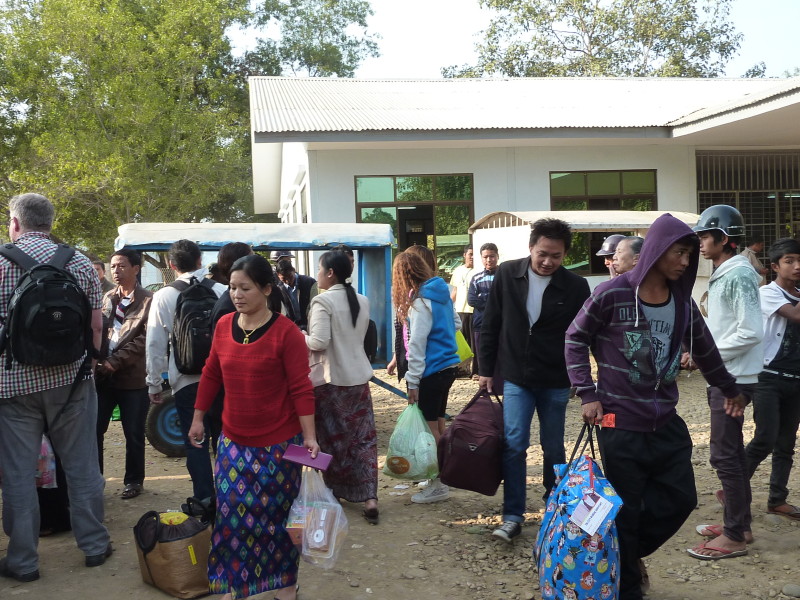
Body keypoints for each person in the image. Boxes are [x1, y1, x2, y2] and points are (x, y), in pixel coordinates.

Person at [565, 213, 745, 600]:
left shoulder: (682, 303)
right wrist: (587, 392)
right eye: (679, 252)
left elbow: (706, 350)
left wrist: (729, 389)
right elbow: (575, 338)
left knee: (681, 499)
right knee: (627, 509)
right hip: (619, 422)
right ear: (658, 250)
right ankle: (628, 586)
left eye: (689, 254)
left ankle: (624, 553)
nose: (685, 261)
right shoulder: (611, 293)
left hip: (666, 420)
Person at [188, 254, 317, 600]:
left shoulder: (286, 333)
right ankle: (235, 583)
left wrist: (309, 437)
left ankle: (286, 584)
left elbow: (301, 388)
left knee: (277, 518)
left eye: (245, 288)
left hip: (280, 445)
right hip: (233, 442)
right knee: (231, 517)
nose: (237, 294)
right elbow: (211, 373)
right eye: (232, 287)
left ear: (266, 289)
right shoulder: (223, 325)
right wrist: (198, 417)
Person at [0, 193, 111, 582]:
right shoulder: (78, 262)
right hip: (72, 383)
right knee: (82, 468)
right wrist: (90, 366)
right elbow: (96, 326)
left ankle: (23, 561)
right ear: (50, 222)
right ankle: (95, 546)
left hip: (13, 388)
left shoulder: (0, 262)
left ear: (16, 223)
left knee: (18, 476)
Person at [479, 218, 590, 543]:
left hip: (556, 378)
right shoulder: (507, 274)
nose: (547, 261)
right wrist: (486, 369)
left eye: (556, 256)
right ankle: (512, 515)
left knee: (553, 446)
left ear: (565, 255)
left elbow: (584, 336)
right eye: (542, 253)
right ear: (531, 248)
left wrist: (585, 380)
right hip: (516, 376)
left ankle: (554, 509)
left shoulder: (576, 286)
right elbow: (491, 323)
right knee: (514, 444)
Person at [688, 205, 762, 559]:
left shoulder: (740, 274)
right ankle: (740, 525)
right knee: (728, 454)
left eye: (706, 236)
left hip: (734, 379)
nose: (701, 243)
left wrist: (708, 354)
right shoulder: (725, 272)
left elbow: (750, 332)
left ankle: (734, 535)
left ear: (724, 238)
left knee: (725, 456)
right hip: (726, 373)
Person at [146, 239, 226, 509]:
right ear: (200, 260)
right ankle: (228, 495)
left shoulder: (163, 296)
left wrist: (153, 383)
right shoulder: (221, 291)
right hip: (221, 379)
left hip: (185, 381)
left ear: (171, 265)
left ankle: (204, 499)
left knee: (195, 442)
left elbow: (155, 343)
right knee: (224, 440)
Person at [305, 251, 378, 523]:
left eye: (319, 269)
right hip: (359, 379)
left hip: (330, 382)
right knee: (363, 440)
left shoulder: (322, 301)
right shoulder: (362, 300)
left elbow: (318, 342)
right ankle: (370, 498)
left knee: (333, 441)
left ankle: (334, 492)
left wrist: (300, 336)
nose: (317, 274)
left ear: (330, 273)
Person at [393, 251, 461, 504]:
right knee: (439, 424)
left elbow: (417, 345)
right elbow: (456, 324)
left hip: (431, 371)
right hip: (449, 366)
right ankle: (441, 476)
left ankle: (439, 483)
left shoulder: (421, 303)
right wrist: (441, 334)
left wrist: (412, 381)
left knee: (430, 429)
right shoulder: (441, 293)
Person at [745, 238, 800, 521]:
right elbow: (795, 315)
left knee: (786, 445)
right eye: (789, 261)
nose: (797, 266)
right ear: (775, 266)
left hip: (796, 379)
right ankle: (733, 489)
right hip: (768, 377)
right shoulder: (767, 293)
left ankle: (777, 500)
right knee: (765, 439)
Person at [95, 249, 154, 500]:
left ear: (136, 269)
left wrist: (116, 361)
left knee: (133, 432)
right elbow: (99, 330)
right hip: (103, 376)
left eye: (121, 266)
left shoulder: (149, 300)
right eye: (113, 266)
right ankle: (95, 480)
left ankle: (134, 481)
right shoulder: (107, 298)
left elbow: (145, 339)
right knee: (95, 430)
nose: (115, 271)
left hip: (133, 379)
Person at [468, 242, 499, 379]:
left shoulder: (504, 276)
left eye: (492, 256)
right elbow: (472, 300)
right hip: (481, 323)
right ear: (481, 258)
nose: (489, 260)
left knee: (500, 354)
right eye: (485, 257)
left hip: (501, 323)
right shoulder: (476, 278)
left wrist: (484, 299)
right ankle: (484, 382)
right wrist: (493, 303)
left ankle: (499, 382)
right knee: (482, 354)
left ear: (497, 256)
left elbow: (506, 298)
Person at [449, 245, 476, 374]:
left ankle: (474, 369)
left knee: (473, 341)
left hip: (473, 311)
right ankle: (462, 368)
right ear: (464, 255)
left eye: (474, 254)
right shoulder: (457, 271)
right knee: (461, 342)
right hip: (460, 310)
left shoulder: (478, 271)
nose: (472, 257)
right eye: (470, 254)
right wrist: (448, 307)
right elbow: (455, 291)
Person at [275, 258, 317, 330]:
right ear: (278, 275)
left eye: (290, 277)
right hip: (292, 328)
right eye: (284, 279)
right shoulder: (279, 290)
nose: (288, 281)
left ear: (294, 270)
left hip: (311, 325)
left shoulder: (309, 282)